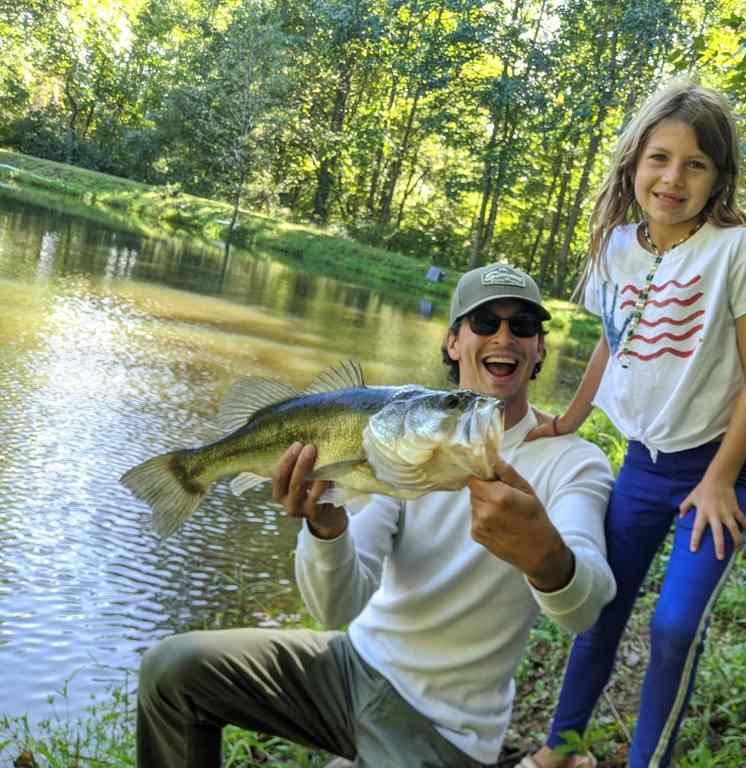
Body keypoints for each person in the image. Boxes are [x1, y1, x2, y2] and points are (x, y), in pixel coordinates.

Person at [135, 262, 617, 768]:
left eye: (523, 327)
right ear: (454, 341)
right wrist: (325, 527)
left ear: (539, 348)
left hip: (444, 728)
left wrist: (545, 558)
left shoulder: (572, 461)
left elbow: (585, 610)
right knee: (173, 670)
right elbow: (338, 609)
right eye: (484, 323)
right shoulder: (399, 433)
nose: (505, 338)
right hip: (351, 667)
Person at [518, 80, 746, 768]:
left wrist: (723, 478)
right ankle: (561, 748)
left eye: (696, 164)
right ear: (633, 163)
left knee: (673, 628)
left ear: (719, 178)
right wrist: (571, 417)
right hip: (640, 466)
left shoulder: (736, 249)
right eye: (659, 159)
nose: (673, 178)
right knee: (603, 607)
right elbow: (614, 335)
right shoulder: (615, 245)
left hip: (712, 471)